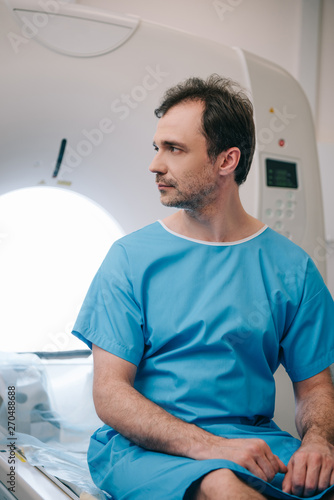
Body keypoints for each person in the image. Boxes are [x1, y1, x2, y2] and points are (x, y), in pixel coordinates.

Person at [72, 75, 334, 500]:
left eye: (174, 149)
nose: (156, 164)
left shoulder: (291, 268)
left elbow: (316, 387)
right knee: (222, 485)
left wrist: (318, 442)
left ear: (226, 160)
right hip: (148, 447)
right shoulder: (131, 259)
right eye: (157, 148)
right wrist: (213, 449)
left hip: (254, 440)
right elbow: (110, 393)